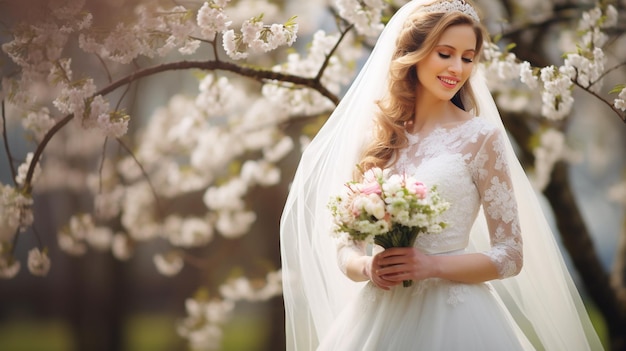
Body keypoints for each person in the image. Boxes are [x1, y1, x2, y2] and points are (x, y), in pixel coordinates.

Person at [280, 0, 604, 350]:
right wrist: (367, 267)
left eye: (468, 58)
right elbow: (346, 248)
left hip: (457, 317)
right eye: (445, 53)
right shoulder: (377, 141)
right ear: (414, 54)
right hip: (379, 316)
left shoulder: (481, 138)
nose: (457, 68)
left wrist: (430, 266)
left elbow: (510, 255)